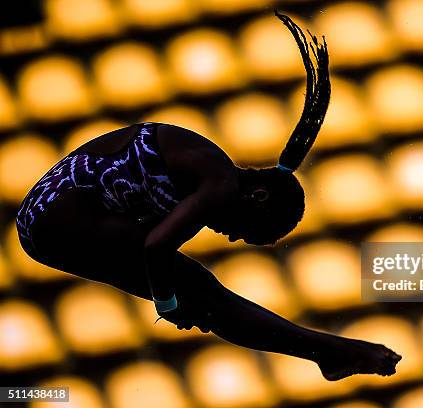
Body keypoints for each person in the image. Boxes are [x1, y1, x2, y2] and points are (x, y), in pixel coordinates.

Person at [16, 12, 401, 381]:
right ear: (258, 196)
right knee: (204, 294)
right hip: (58, 221)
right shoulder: (220, 184)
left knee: (200, 295)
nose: (230, 237)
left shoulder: (201, 166)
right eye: (246, 233)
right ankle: (332, 352)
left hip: (46, 217)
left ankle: (329, 352)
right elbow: (155, 247)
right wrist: (166, 303)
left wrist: (170, 294)